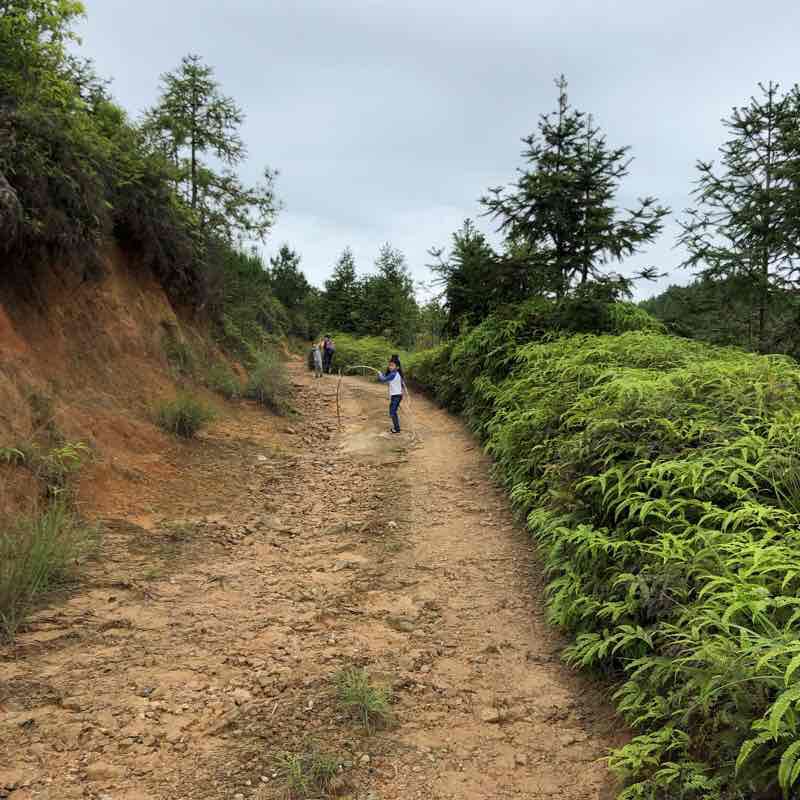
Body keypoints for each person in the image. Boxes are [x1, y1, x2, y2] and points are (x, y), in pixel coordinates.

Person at [377, 357, 403, 434]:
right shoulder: (397, 374)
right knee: (392, 411)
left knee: (392, 412)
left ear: (397, 367)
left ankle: (397, 429)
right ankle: (396, 426)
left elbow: (383, 379)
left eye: (392, 365)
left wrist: (380, 374)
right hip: (396, 395)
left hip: (396, 396)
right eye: (389, 365)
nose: (390, 367)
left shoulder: (393, 374)